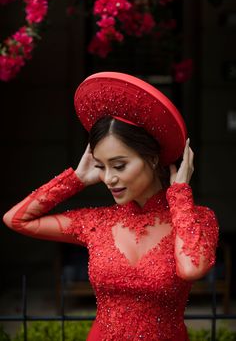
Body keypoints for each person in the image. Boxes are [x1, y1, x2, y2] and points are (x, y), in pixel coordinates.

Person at [3, 72, 218, 341]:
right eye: (101, 167)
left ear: (152, 159)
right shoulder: (97, 223)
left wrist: (180, 194)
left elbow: (191, 268)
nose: (108, 178)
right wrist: (76, 179)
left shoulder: (197, 218)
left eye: (118, 166)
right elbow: (16, 219)